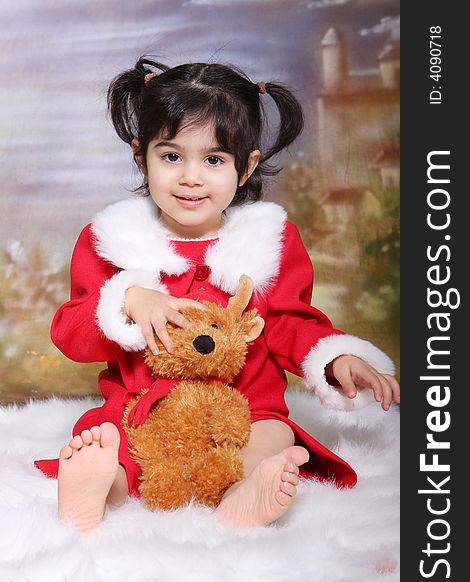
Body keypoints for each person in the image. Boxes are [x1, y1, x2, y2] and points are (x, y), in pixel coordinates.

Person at [35, 57, 400, 533]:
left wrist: (333, 357)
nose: (191, 177)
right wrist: (125, 300)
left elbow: (291, 319)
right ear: (139, 155)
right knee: (109, 440)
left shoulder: (270, 242)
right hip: (145, 413)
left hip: (244, 411)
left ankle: (241, 494)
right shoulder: (110, 242)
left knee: (273, 434)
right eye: (171, 156)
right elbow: (70, 332)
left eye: (213, 159)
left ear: (246, 167)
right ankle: (101, 492)